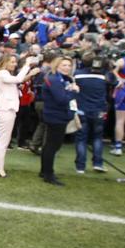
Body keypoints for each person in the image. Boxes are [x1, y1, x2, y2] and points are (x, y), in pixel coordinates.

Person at [0, 54, 39, 177]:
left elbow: (19, 80)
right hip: (6, 109)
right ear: (5, 62)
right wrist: (27, 65)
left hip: (8, 108)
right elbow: (18, 79)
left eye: (15, 62)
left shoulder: (5, 74)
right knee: (3, 140)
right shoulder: (2, 74)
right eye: (12, 62)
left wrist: (30, 73)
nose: (14, 64)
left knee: (4, 139)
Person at [41, 56, 80, 186]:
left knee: (50, 145)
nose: (67, 68)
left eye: (69, 65)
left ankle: (45, 171)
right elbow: (61, 99)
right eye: (64, 65)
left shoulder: (60, 79)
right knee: (53, 145)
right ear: (57, 65)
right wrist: (74, 92)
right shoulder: (54, 79)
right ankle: (48, 174)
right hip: (55, 116)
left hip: (57, 115)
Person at [73, 51, 108, 174]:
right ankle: (98, 163)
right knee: (97, 137)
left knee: (81, 138)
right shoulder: (103, 76)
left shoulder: (77, 75)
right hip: (98, 109)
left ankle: (80, 166)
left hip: (82, 109)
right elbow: (114, 82)